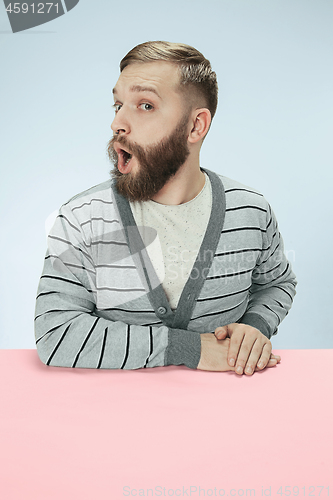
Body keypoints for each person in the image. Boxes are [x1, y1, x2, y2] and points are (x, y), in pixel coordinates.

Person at [34, 41, 297, 375]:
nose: (118, 124)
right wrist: (187, 348)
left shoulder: (251, 212)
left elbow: (277, 283)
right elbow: (56, 334)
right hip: (109, 417)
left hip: (230, 415)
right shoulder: (82, 218)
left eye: (145, 105)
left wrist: (255, 328)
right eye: (118, 105)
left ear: (195, 126)